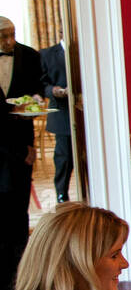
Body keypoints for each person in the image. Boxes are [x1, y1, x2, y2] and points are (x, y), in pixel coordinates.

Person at [0, 15, 48, 290]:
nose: (10, 42)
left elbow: (38, 92)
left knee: (17, 218)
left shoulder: (29, 55)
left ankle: (18, 286)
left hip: (19, 149)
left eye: (12, 35)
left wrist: (35, 102)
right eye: (3, 37)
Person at [41, 40, 72, 203]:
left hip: (87, 113)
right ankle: (62, 194)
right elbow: (41, 84)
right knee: (64, 157)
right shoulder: (46, 54)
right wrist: (53, 91)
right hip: (62, 113)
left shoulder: (87, 49)